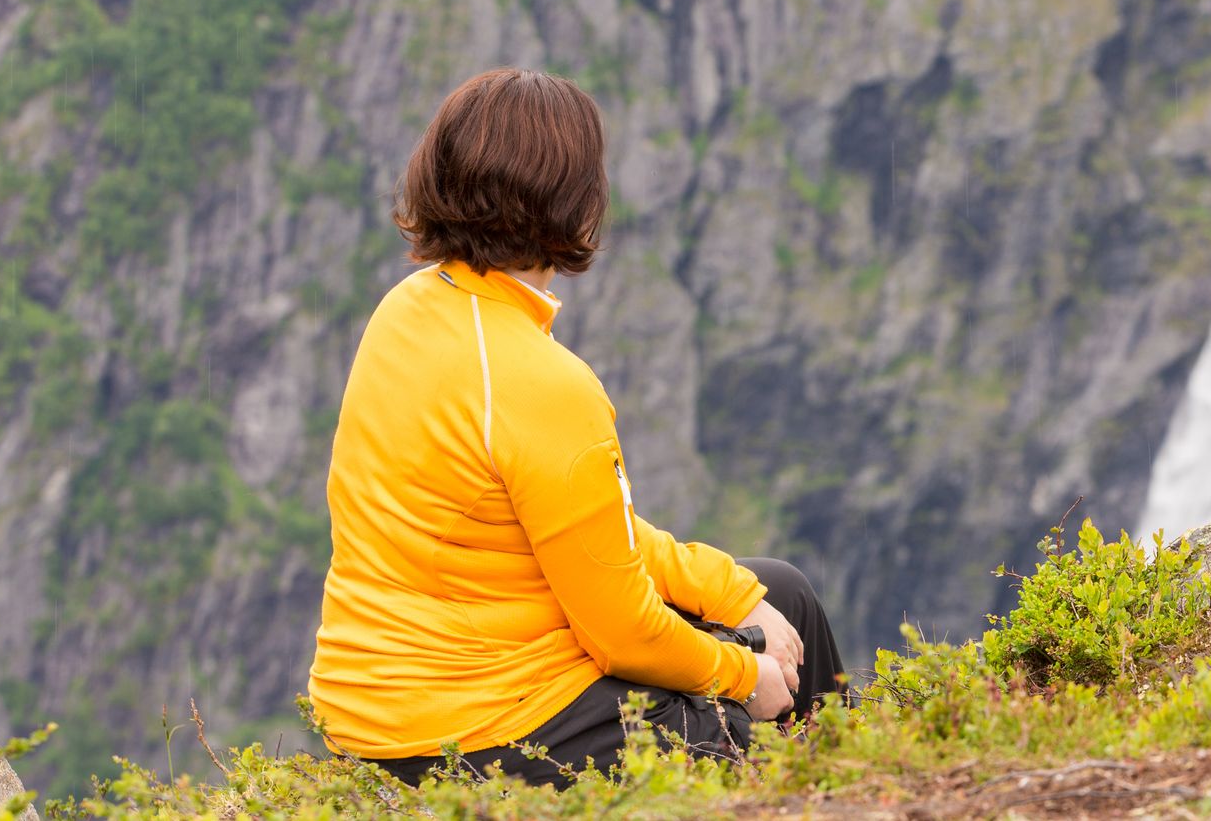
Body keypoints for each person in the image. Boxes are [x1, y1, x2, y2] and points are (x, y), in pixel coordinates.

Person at [308, 68, 845, 786]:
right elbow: (620, 631)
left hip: (374, 706)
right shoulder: (541, 382)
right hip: (476, 729)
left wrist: (733, 592)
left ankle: (857, 771)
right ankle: (852, 784)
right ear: (576, 201)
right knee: (743, 743)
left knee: (781, 592)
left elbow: (585, 534)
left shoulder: (407, 310)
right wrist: (743, 675)